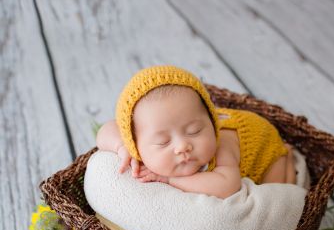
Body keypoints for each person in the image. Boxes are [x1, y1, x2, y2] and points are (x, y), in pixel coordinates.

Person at [97, 65, 296, 199]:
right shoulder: (135, 141)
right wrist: (121, 147)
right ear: (135, 143)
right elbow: (106, 130)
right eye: (163, 142)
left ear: (211, 121)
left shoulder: (221, 148)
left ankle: (286, 156)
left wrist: (170, 179)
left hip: (264, 144)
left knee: (276, 194)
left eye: (195, 131)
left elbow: (228, 185)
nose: (183, 146)